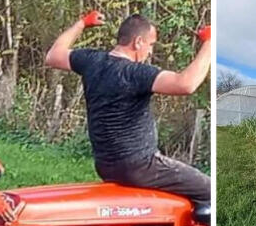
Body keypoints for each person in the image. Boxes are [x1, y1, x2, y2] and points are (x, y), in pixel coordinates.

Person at [45, 11, 212, 208]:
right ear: (138, 42)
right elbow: (186, 84)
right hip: (141, 166)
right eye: (151, 45)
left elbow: (53, 56)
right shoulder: (134, 73)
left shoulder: (92, 61)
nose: (150, 51)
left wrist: (81, 23)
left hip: (106, 166)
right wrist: (210, 43)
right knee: (210, 190)